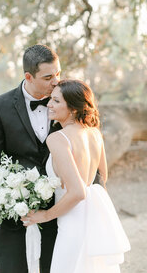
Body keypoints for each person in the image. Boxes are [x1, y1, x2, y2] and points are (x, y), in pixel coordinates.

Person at [22, 80, 131, 273]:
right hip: (92, 219)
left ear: (72, 108)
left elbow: (78, 192)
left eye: (56, 101)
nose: (49, 104)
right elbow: (102, 176)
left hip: (71, 221)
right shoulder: (94, 133)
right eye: (51, 99)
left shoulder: (57, 138)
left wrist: (45, 215)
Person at [0, 44, 62, 273]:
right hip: (15, 210)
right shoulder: (0, 106)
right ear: (28, 76)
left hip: (60, 208)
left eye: (58, 73)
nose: (55, 82)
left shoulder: (67, 99)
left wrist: (96, 196)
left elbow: (86, 147)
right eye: (48, 77)